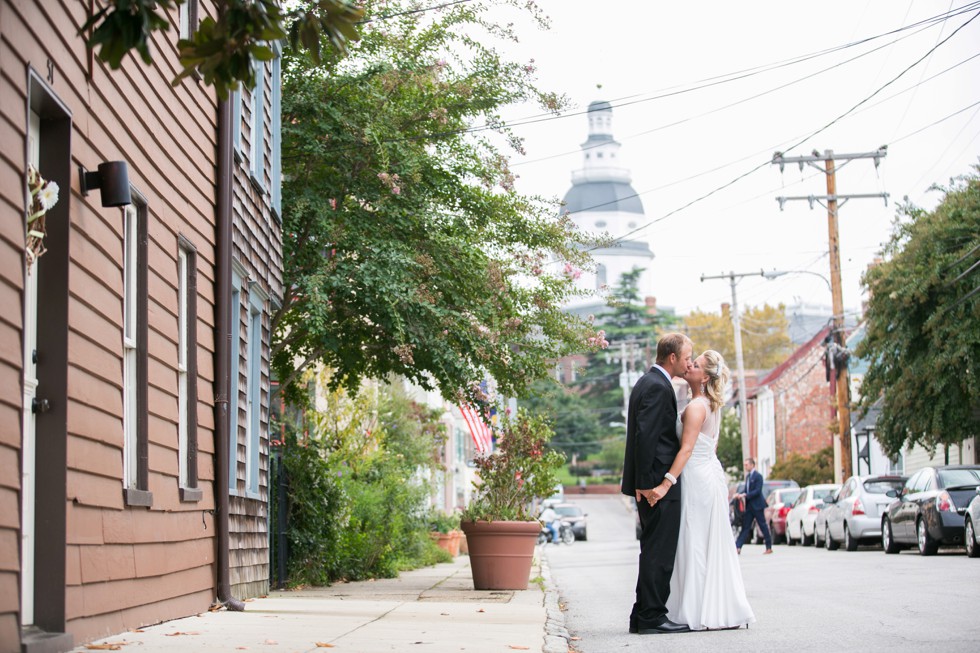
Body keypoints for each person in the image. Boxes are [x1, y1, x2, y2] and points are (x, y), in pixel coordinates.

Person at [665, 351, 755, 630]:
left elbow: (688, 449)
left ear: (704, 377)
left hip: (696, 477)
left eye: (696, 364)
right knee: (709, 540)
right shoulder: (710, 405)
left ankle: (697, 609)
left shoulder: (696, 407)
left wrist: (667, 481)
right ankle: (719, 607)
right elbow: (710, 447)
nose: (689, 365)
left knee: (695, 540)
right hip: (710, 474)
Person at [621, 333, 693, 635]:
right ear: (672, 357)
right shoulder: (657, 387)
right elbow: (646, 436)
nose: (690, 362)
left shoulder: (648, 382)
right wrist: (650, 485)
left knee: (651, 549)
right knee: (659, 553)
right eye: (687, 357)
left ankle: (641, 615)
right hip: (658, 485)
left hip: (651, 481)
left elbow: (642, 435)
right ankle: (653, 616)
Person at [735, 458, 773, 554]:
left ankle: (769, 547)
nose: (745, 466)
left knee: (763, 525)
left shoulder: (758, 476)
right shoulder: (748, 477)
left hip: (757, 506)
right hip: (749, 507)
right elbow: (746, 490)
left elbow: (757, 491)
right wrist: (740, 494)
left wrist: (746, 495)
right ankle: (737, 547)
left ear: (752, 465)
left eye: (747, 464)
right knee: (745, 527)